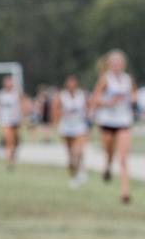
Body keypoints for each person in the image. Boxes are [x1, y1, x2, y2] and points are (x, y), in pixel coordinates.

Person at [90, 50, 135, 203]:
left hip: (123, 121)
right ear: (109, 64)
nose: (116, 65)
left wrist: (133, 101)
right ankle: (108, 166)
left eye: (119, 63)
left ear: (123, 64)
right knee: (109, 152)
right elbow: (95, 98)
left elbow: (134, 96)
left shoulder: (128, 79)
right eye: (113, 63)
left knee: (123, 158)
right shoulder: (105, 79)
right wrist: (108, 103)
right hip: (107, 121)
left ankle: (125, 191)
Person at [53, 76, 88, 188]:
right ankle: (73, 176)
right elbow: (55, 110)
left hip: (79, 127)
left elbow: (88, 107)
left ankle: (80, 170)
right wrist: (61, 116)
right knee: (70, 156)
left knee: (77, 152)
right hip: (66, 128)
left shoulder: (82, 95)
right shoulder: (62, 96)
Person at [0, 75, 22, 169]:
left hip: (15, 121)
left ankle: (13, 156)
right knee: (8, 141)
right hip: (5, 121)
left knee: (16, 141)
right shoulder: (1, 94)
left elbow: (21, 106)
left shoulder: (16, 94)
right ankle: (9, 162)